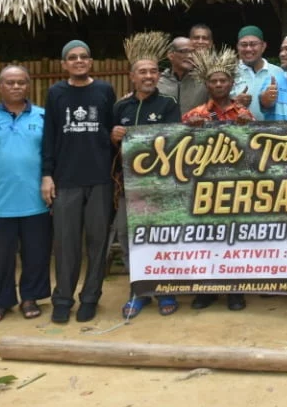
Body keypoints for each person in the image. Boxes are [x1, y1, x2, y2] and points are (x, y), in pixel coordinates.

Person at [0, 65, 51, 323]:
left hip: (36, 202)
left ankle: (30, 298)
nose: (16, 87)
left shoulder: (43, 117)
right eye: (10, 82)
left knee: (36, 253)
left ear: (29, 86)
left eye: (21, 82)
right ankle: (2, 300)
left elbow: (51, 157)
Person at [41, 40, 117, 324]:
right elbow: (49, 136)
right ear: (64, 64)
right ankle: (62, 299)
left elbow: (112, 131)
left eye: (84, 56)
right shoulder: (56, 93)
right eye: (72, 58)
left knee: (97, 242)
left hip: (99, 179)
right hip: (66, 179)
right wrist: (47, 174)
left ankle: (90, 297)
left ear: (91, 61)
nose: (79, 61)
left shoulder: (104, 91)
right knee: (65, 243)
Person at [111, 32, 181, 319]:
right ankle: (139, 292)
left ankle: (165, 290)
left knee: (160, 238)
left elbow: (175, 142)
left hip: (159, 187)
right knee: (129, 238)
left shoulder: (168, 105)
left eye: (153, 71)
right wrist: (113, 136)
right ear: (132, 76)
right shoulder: (120, 107)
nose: (149, 76)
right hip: (128, 188)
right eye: (143, 72)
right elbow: (112, 148)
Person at [183, 47, 253, 311]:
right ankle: (206, 290)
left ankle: (235, 291)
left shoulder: (244, 115)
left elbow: (257, 150)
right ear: (207, 84)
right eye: (214, 80)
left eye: (223, 80)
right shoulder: (194, 115)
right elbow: (178, 147)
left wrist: (249, 128)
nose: (219, 84)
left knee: (234, 240)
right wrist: (189, 132)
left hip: (236, 188)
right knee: (207, 239)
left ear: (231, 83)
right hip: (204, 189)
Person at [232, 25, 283, 121]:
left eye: (253, 44)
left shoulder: (278, 72)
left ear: (263, 46)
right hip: (237, 132)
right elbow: (216, 106)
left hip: (272, 132)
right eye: (243, 45)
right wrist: (234, 103)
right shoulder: (230, 73)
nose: (248, 49)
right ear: (237, 47)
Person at [158, 36, 205, 114]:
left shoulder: (203, 82)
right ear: (170, 55)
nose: (190, 56)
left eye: (193, 52)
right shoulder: (158, 83)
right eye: (184, 51)